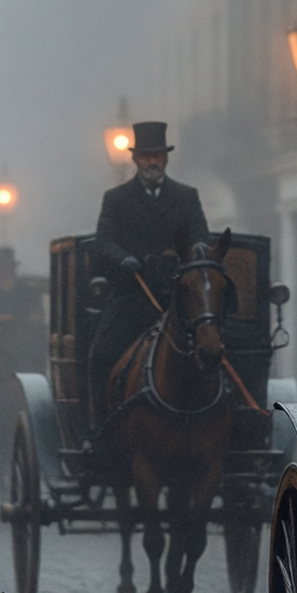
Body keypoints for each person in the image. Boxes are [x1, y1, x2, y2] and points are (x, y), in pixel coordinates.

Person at [87, 122, 210, 395]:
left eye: (157, 156)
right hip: (133, 294)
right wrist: (124, 259)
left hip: (178, 296)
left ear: (165, 158)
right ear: (135, 159)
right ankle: (95, 430)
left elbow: (202, 235)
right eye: (146, 156)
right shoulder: (116, 199)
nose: (152, 162)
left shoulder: (186, 197)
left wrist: (196, 250)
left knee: (216, 347)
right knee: (100, 355)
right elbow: (103, 242)